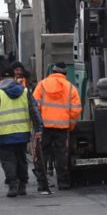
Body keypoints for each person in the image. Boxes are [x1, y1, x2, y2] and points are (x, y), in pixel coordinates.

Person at [0, 70, 42, 197]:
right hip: (22, 133)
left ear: (1, 78)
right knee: (21, 159)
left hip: (4, 134)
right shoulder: (25, 92)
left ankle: (13, 184)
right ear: (14, 77)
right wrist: (38, 129)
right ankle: (22, 185)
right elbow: (35, 111)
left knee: (8, 160)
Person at [32, 62, 82, 193]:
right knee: (61, 155)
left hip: (44, 127)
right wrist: (70, 125)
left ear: (52, 72)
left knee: (42, 154)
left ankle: (42, 184)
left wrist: (37, 126)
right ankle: (63, 182)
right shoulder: (70, 87)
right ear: (65, 73)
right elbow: (76, 110)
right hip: (62, 127)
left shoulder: (42, 85)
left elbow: (34, 106)